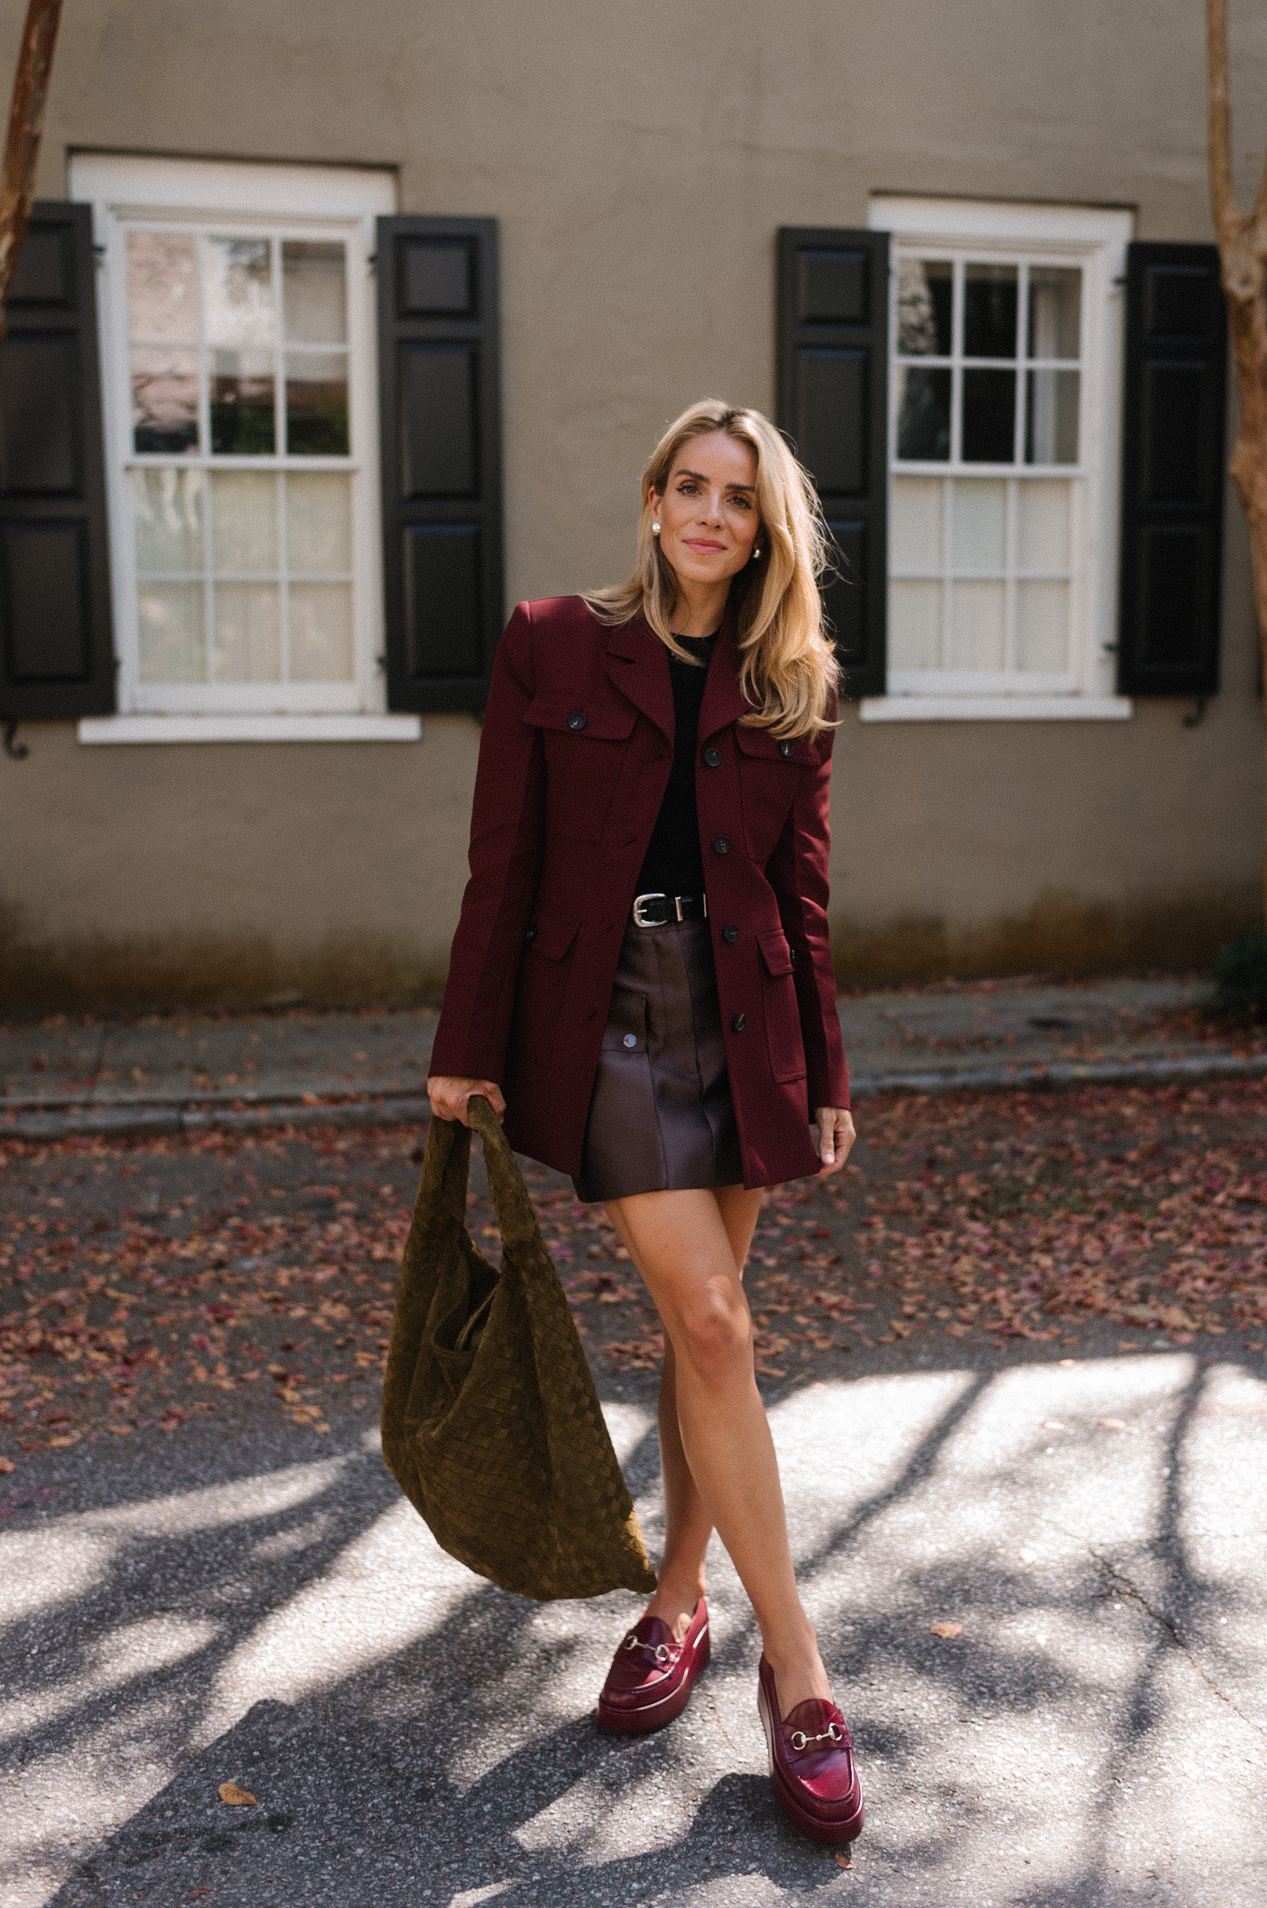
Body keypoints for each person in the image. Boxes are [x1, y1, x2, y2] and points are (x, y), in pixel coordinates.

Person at [427, 399, 862, 1845]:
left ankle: (678, 1607)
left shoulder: (792, 678)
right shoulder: (552, 639)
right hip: (602, 1012)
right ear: (654, 500)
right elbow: (506, 857)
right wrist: (463, 1045)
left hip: (741, 1022)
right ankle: (797, 1668)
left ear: (763, 529)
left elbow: (803, 898)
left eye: (741, 499)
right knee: (720, 1326)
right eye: (692, 486)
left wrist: (830, 1072)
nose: (712, 516)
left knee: (702, 1330)